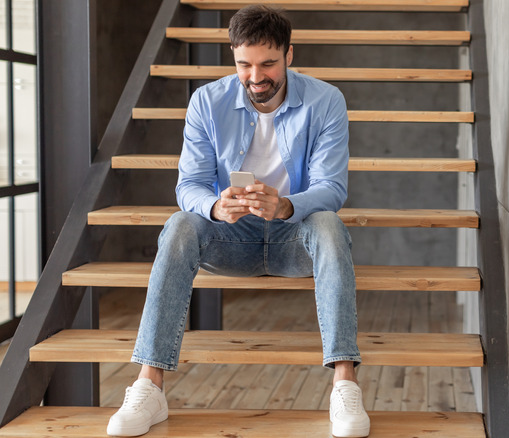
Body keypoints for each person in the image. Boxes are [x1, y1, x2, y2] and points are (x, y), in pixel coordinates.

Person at [106, 5, 369, 437]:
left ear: (288, 53)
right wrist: (213, 207)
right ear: (233, 56)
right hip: (230, 239)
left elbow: (331, 188)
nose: (255, 76)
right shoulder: (207, 102)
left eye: (268, 63)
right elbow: (189, 184)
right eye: (244, 64)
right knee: (179, 224)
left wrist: (285, 205)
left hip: (294, 238)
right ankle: (149, 385)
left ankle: (344, 383)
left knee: (329, 226)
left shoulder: (326, 101)